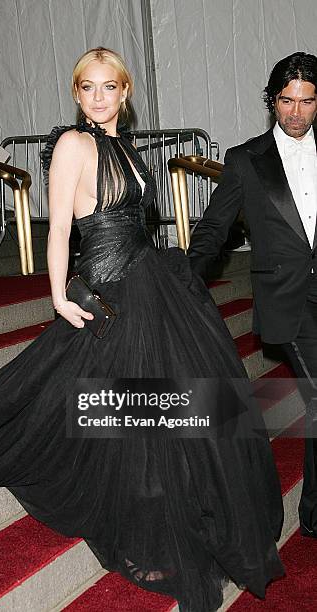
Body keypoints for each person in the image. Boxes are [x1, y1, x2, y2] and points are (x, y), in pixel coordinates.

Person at [0, 47, 284, 612]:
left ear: (124, 94)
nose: (98, 97)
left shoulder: (126, 146)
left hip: (150, 281)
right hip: (110, 286)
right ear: (77, 94)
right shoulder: (74, 145)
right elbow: (59, 232)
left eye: (109, 87)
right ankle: (149, 514)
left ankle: (176, 502)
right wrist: (58, 295)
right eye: (88, 88)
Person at [189, 51, 317, 540]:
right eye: (287, 100)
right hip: (288, 300)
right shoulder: (246, 159)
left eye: (307, 101)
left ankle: (311, 512)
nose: (296, 112)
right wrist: (187, 278)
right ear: (272, 100)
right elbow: (213, 230)